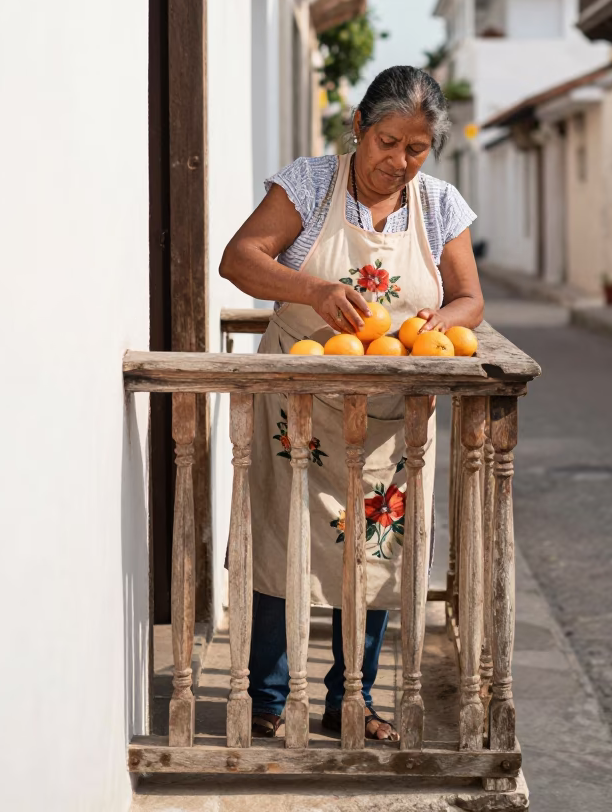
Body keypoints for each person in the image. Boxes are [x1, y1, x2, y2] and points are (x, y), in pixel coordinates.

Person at [219, 65, 483, 742]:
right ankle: (269, 696)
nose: (398, 161)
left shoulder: (440, 206)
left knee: (374, 551)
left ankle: (352, 700)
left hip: (386, 415)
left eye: (416, 148)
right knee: (280, 539)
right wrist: (311, 291)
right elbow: (239, 258)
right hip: (295, 402)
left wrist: (426, 327)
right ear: (358, 127)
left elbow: (469, 299)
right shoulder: (308, 184)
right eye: (387, 141)